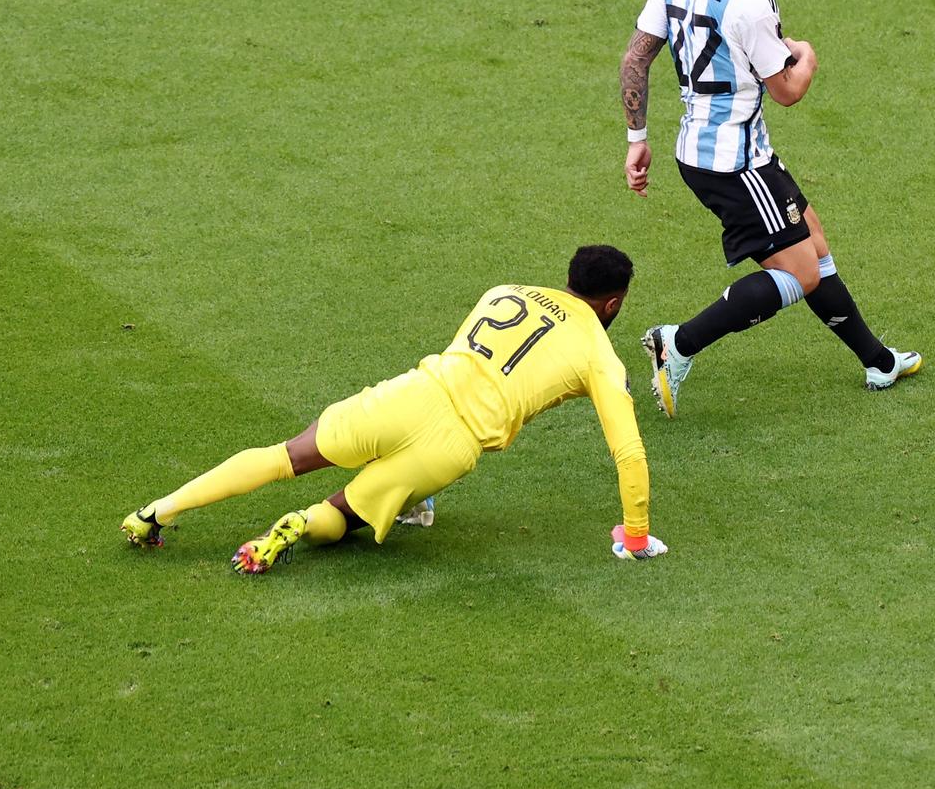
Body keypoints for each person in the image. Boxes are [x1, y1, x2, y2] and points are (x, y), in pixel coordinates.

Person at [118, 245, 667, 571]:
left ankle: (155, 513)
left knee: (284, 456)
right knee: (342, 515)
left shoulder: (503, 292)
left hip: (409, 395)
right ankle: (299, 523)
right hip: (450, 448)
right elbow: (628, 450)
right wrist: (635, 537)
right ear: (613, 302)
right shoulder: (599, 352)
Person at [618, 0, 920, 417]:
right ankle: (677, 343)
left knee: (814, 237)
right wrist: (807, 56)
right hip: (734, 163)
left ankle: (878, 362)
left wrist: (637, 137)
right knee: (799, 274)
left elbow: (636, 58)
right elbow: (786, 90)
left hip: (705, 151)